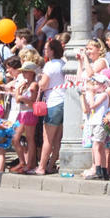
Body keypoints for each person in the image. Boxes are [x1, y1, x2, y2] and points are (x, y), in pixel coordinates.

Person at [32, 39, 66, 175]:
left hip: (53, 102)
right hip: (64, 101)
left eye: (46, 49)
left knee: (48, 138)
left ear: (52, 51)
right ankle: (51, 165)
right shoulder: (64, 63)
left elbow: (43, 85)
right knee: (58, 138)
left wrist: (39, 79)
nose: (45, 51)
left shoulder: (49, 65)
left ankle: (41, 166)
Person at [81, 72, 110, 180]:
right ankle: (104, 171)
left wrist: (91, 94)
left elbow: (93, 106)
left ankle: (98, 170)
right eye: (94, 83)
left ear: (104, 86)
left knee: (96, 146)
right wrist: (83, 96)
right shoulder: (97, 95)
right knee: (101, 147)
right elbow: (87, 109)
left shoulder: (104, 95)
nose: (94, 86)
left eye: (97, 84)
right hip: (94, 122)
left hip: (99, 123)